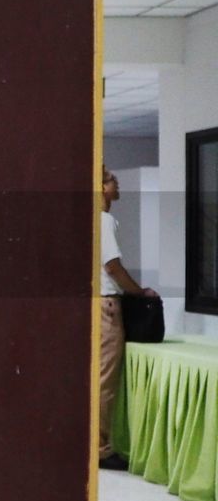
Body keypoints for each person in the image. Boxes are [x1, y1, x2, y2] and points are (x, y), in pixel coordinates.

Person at [99, 167, 158, 471]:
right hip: (107, 307)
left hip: (92, 305)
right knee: (105, 380)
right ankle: (101, 448)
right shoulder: (104, 220)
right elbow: (112, 266)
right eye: (110, 180)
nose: (116, 183)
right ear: (100, 188)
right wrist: (138, 292)